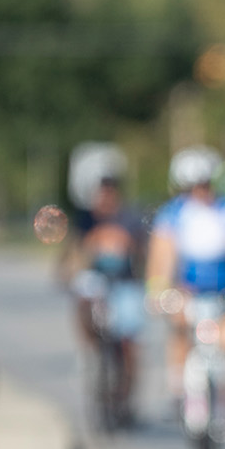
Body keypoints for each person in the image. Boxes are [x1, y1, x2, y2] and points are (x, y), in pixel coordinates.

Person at [145, 146, 225, 437]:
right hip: (188, 291)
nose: (199, 191)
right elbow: (161, 260)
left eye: (204, 184)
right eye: (192, 185)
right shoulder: (172, 215)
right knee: (179, 326)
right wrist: (158, 292)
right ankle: (178, 388)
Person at [64, 171, 148, 426]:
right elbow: (74, 252)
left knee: (129, 340)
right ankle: (89, 349)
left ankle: (126, 394)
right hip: (96, 282)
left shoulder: (130, 219)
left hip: (125, 283)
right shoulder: (86, 219)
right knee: (83, 302)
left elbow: (142, 253)